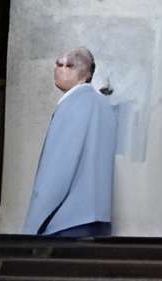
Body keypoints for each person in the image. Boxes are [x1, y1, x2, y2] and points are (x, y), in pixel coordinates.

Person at [22, 47, 117, 238]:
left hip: (66, 222)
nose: (56, 69)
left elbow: (57, 171)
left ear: (75, 70)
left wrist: (31, 228)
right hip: (99, 221)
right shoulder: (105, 106)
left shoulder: (71, 105)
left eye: (60, 64)